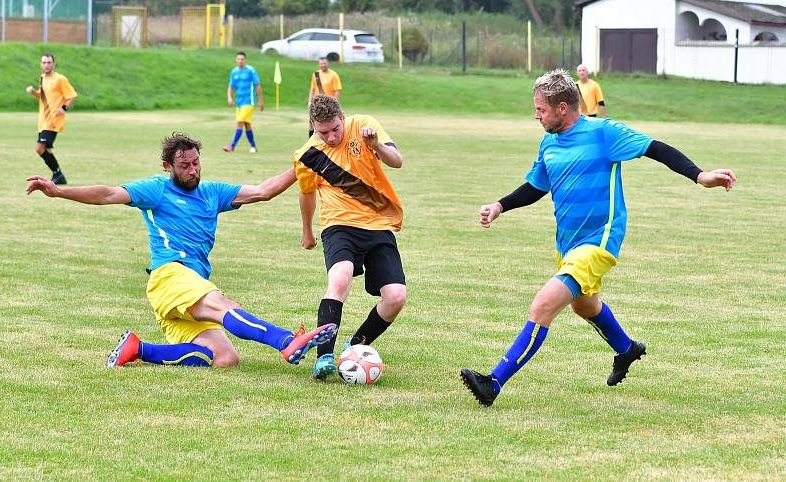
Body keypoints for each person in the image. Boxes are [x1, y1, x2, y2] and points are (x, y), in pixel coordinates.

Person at [460, 69, 736, 407]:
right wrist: (501, 205)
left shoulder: (604, 133)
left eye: (540, 110)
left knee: (543, 305)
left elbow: (656, 148)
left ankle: (493, 383)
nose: (536, 115)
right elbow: (537, 186)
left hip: (600, 239)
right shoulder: (549, 141)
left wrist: (701, 176)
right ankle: (627, 349)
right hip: (568, 244)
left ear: (563, 107)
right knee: (584, 304)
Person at [26, 132, 336, 369]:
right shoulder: (156, 190)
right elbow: (107, 194)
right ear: (168, 166)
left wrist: (303, 163)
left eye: (196, 163)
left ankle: (138, 348)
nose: (192, 170)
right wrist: (59, 192)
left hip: (187, 286)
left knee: (225, 357)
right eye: (184, 165)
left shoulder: (212, 193)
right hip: (169, 276)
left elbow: (263, 191)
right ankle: (287, 341)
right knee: (222, 303)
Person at [294, 95, 406, 381]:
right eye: (323, 132)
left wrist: (376, 145)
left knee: (395, 297)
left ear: (343, 117)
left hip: (378, 223)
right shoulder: (308, 155)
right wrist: (307, 231)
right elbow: (306, 195)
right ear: (312, 126)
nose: (331, 137)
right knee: (340, 278)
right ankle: (324, 357)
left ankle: (356, 345)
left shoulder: (364, 126)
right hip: (339, 224)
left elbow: (397, 161)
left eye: (335, 129)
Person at [26, 53, 77, 185]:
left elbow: (72, 95)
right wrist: (34, 92)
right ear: (41, 64)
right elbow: (43, 97)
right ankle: (58, 175)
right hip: (43, 120)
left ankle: (58, 174)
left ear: (53, 64)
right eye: (44, 62)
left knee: (39, 148)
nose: (46, 65)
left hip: (53, 121)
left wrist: (64, 108)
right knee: (46, 149)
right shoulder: (42, 78)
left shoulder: (60, 79)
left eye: (49, 62)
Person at [224, 51, 264, 153]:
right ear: (236, 60)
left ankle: (232, 146)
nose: (240, 61)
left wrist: (260, 101)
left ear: (245, 60)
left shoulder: (251, 71)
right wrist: (229, 97)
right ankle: (253, 146)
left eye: (242, 59)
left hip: (249, 102)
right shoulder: (234, 72)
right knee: (247, 125)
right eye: (238, 59)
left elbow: (258, 86)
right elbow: (231, 87)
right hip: (239, 103)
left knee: (240, 122)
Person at [307, 57, 342, 138]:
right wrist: (310, 101)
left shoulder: (334, 75)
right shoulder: (316, 74)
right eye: (321, 64)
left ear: (328, 64)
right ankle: (311, 141)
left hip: (328, 104)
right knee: (312, 123)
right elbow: (312, 89)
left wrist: (334, 103)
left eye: (324, 63)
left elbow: (337, 90)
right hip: (316, 104)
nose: (322, 65)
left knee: (327, 122)